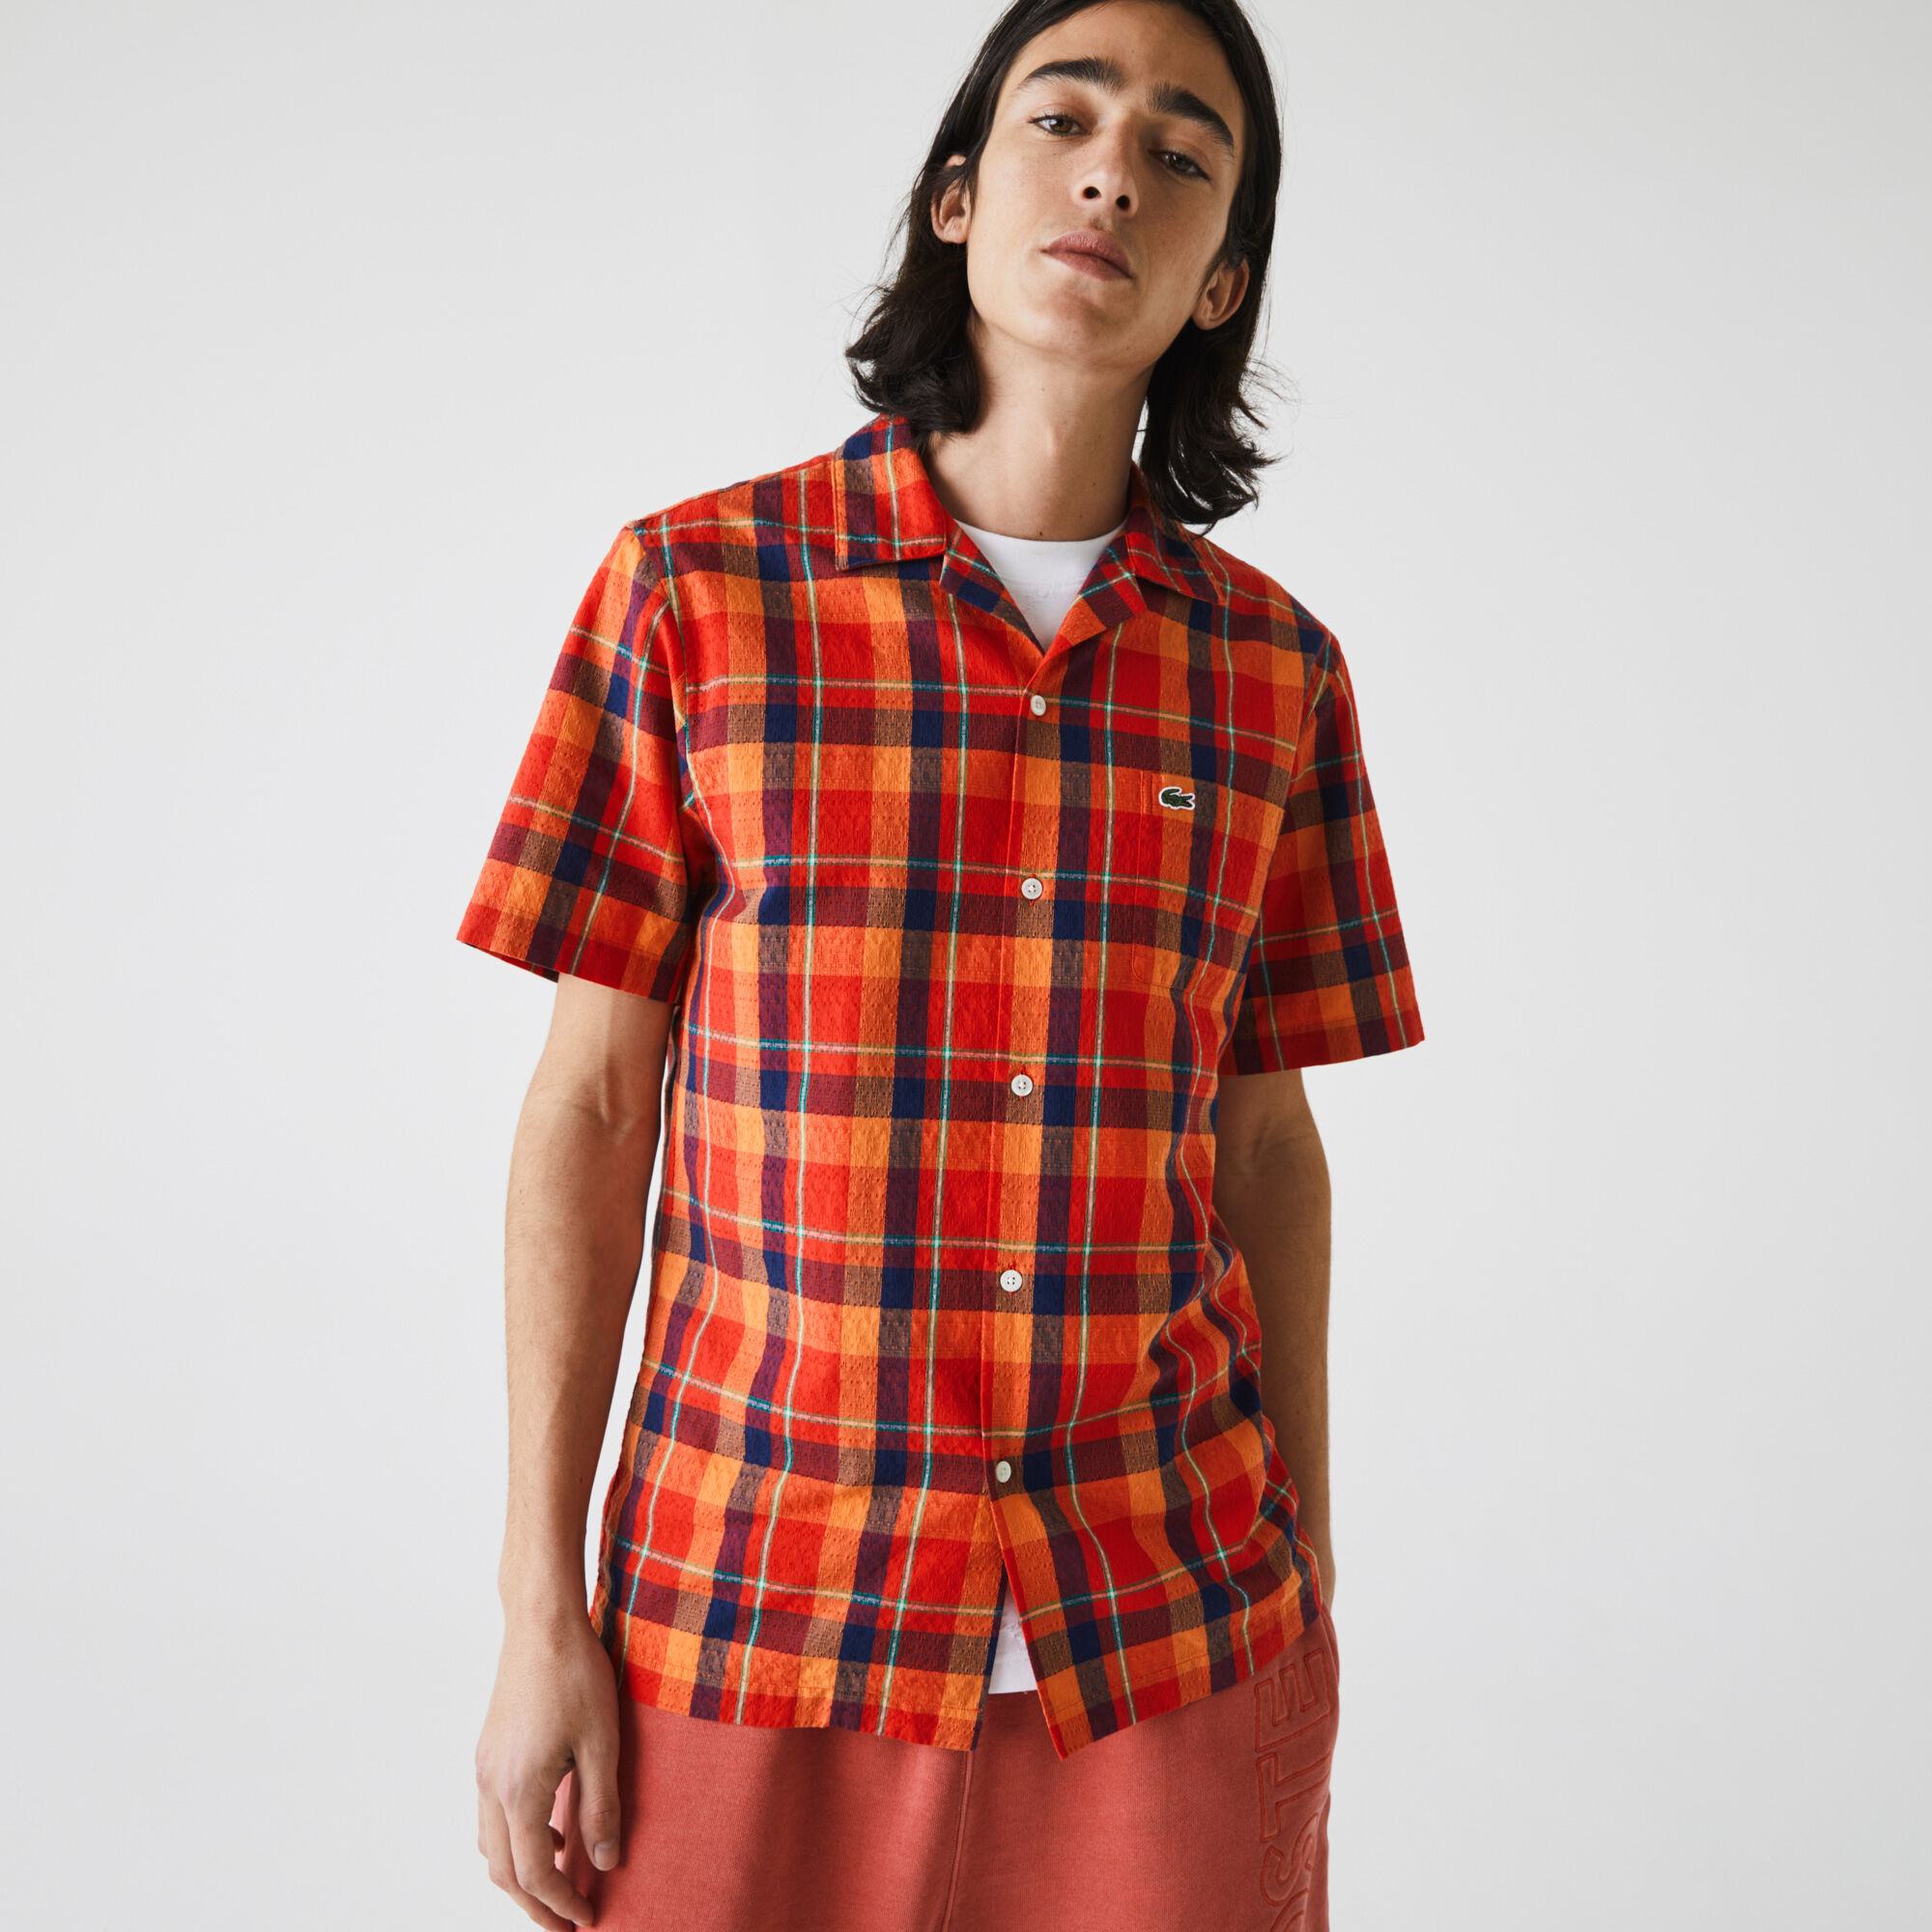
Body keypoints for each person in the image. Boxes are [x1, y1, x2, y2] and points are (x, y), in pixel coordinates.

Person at [463, 2, 1423, 1927]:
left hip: (1163, 1618)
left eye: (1182, 152)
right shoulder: (694, 595)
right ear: (959, 198)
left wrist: (1307, 1562)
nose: (1114, 173)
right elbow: (594, 1104)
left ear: (1220, 277)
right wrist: (536, 1608)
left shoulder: (1273, 674)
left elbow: (1264, 1147)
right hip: (746, 1604)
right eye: (1065, 118)